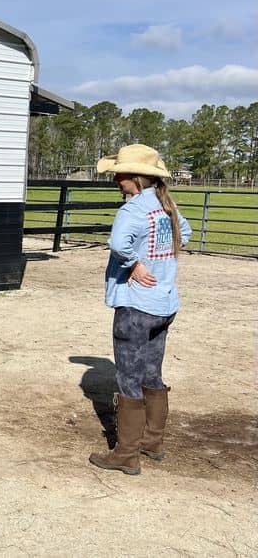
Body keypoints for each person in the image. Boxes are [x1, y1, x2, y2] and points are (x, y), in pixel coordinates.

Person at [89, 144, 192, 475]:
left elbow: (118, 245)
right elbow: (185, 234)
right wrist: (161, 260)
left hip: (136, 305)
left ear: (135, 178)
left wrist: (134, 264)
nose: (116, 179)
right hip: (164, 303)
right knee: (152, 372)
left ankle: (126, 453)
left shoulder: (133, 210)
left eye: (120, 174)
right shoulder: (166, 204)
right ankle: (153, 440)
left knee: (128, 377)